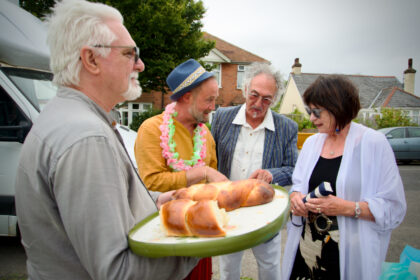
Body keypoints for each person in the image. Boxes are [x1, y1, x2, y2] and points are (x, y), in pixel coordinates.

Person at [14, 0, 198, 279]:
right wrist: (205, 235)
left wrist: (157, 201)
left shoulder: (65, 116)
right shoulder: (87, 138)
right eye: (130, 53)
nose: (141, 64)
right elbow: (118, 272)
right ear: (90, 60)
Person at [282, 75, 407, 280]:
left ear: (337, 107)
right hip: (308, 251)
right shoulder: (312, 144)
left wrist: (346, 208)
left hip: (348, 255)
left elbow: (393, 207)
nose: (311, 118)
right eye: (309, 111)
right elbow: (298, 185)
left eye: (317, 111)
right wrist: (295, 198)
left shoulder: (374, 144)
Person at [134, 58, 228, 279]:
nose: (213, 108)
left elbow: (212, 187)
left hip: (202, 234)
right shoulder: (152, 129)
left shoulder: (205, 134)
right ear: (187, 97)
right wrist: (199, 173)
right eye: (209, 100)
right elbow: (150, 183)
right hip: (167, 237)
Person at [211, 62, 299, 280]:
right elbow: (211, 159)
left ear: (275, 99)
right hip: (228, 210)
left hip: (264, 213)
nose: (258, 103)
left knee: (269, 267)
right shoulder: (222, 117)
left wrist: (271, 175)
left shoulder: (286, 127)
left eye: (267, 99)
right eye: (254, 95)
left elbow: (292, 169)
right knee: (228, 268)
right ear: (245, 89)